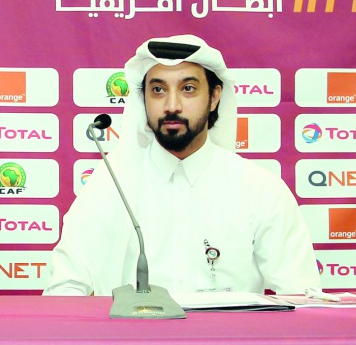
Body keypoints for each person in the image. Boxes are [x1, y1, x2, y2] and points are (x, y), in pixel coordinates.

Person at [44, 34, 320, 297]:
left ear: (214, 97)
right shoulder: (112, 182)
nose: (172, 105)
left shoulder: (259, 188)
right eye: (158, 90)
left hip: (229, 333)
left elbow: (301, 295)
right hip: (131, 332)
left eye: (188, 89)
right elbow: (64, 288)